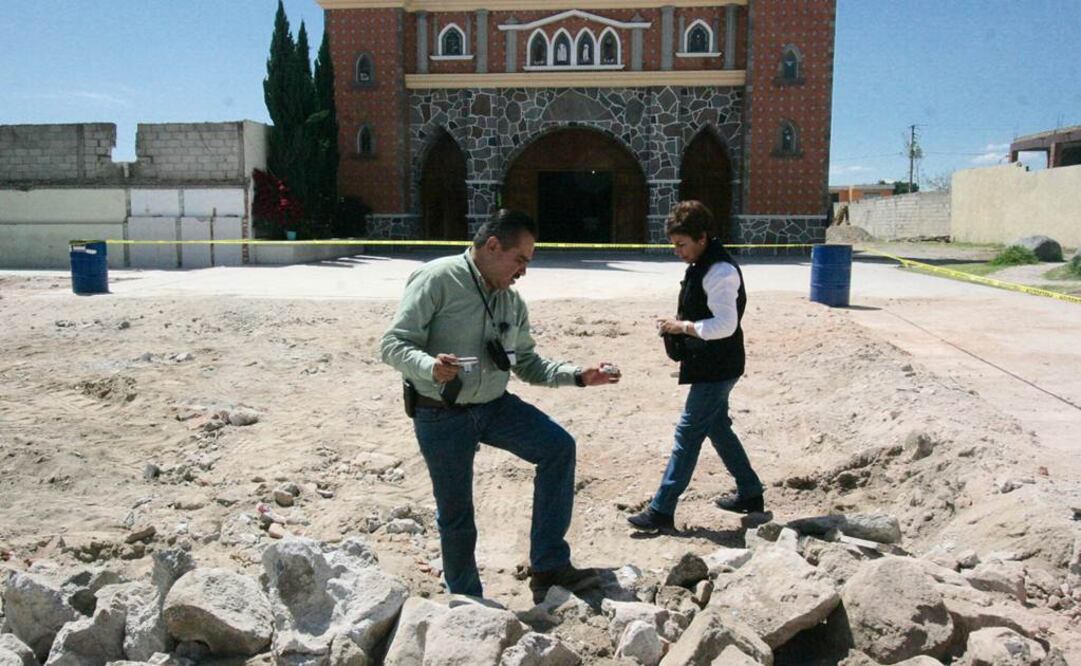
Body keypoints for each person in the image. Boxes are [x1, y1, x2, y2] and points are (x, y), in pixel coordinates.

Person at [381, 209, 620, 601]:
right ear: (493, 246)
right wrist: (429, 367)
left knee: (558, 448)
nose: (523, 271)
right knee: (457, 516)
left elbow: (527, 363)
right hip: (440, 413)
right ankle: (467, 599)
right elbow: (392, 344)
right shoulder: (437, 279)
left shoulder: (511, 302)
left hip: (494, 406)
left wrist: (578, 375)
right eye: (520, 260)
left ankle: (548, 566)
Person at [628, 200, 765, 532]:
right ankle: (750, 492)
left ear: (702, 237)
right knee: (717, 428)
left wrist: (683, 327)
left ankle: (661, 509)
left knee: (687, 434)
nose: (677, 251)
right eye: (674, 245)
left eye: (681, 244)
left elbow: (725, 325)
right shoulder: (703, 264)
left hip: (718, 367)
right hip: (712, 363)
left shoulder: (720, 271)